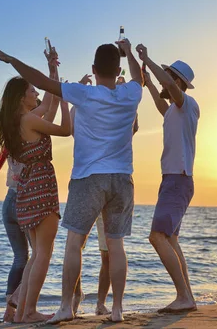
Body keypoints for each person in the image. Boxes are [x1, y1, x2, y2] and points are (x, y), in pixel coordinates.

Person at [0, 38, 143, 323]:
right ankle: (117, 309)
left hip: (88, 178)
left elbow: (43, 84)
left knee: (73, 244)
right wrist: (131, 53)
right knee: (116, 245)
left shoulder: (85, 94)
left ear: (94, 69)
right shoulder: (131, 93)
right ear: (118, 68)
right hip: (122, 177)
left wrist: (12, 60)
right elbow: (139, 78)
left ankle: (65, 307)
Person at [0, 47, 61, 323]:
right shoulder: (27, 121)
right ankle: (20, 307)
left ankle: (13, 311)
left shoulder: (13, 123)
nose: (36, 94)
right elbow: (52, 110)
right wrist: (54, 78)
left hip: (11, 200)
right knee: (37, 255)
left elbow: (47, 105)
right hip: (26, 197)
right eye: (32, 91)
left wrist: (52, 71)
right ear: (21, 98)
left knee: (23, 257)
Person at [136, 44, 200, 313]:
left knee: (157, 237)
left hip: (178, 179)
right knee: (171, 240)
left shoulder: (187, 104)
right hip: (175, 180)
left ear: (176, 82)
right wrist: (149, 82)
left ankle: (184, 296)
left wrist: (146, 59)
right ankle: (187, 297)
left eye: (167, 77)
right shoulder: (175, 110)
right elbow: (161, 103)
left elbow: (169, 91)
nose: (163, 82)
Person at [70, 74, 139, 317]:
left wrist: (120, 98)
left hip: (92, 181)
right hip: (113, 180)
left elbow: (134, 126)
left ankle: (101, 304)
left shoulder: (116, 110)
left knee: (97, 250)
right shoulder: (86, 107)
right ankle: (77, 302)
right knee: (98, 246)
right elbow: (71, 127)